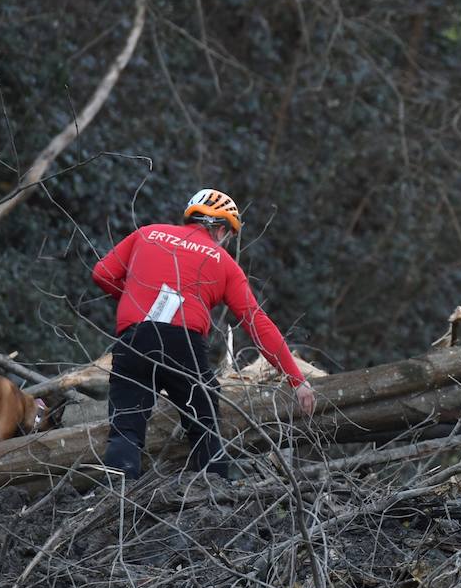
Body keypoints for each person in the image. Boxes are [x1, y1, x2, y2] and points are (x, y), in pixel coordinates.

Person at [91, 188, 317, 481]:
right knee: (205, 426)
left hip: (135, 337)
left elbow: (102, 274)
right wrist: (296, 379)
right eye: (229, 235)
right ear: (221, 229)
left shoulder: (147, 233)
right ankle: (213, 503)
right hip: (182, 343)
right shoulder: (223, 262)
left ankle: (114, 504)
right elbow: (256, 322)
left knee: (126, 428)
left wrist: (135, 300)